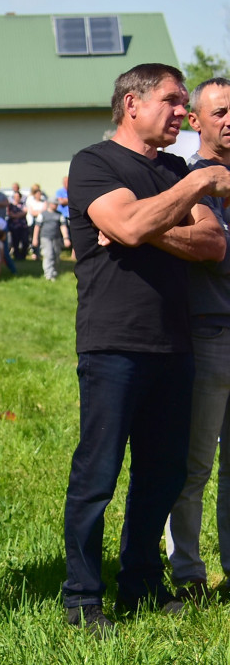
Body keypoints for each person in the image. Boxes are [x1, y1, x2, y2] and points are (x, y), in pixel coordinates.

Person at [63, 63, 230, 636]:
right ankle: (82, 598)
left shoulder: (177, 166)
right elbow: (128, 229)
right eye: (172, 101)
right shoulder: (94, 163)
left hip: (174, 344)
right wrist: (193, 190)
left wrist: (143, 221)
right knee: (98, 477)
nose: (182, 112)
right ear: (131, 104)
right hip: (114, 343)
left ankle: (140, 583)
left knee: (159, 475)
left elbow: (211, 243)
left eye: (185, 103)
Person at [165, 76, 230, 600]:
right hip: (210, 332)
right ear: (196, 121)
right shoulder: (189, 179)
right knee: (196, 464)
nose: (229, 121)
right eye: (220, 112)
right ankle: (186, 571)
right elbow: (213, 248)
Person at [31, 200, 71, 281]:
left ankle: (54, 272)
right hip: (45, 237)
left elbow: (63, 226)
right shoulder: (43, 214)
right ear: (50, 204)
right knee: (48, 255)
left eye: (57, 204)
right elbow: (37, 227)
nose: (56, 205)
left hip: (56, 238)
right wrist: (35, 239)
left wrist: (66, 238)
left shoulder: (59, 214)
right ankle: (48, 275)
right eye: (54, 204)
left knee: (56, 255)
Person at [7, 191, 29, 260]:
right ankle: (16, 256)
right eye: (15, 197)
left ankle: (23, 256)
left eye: (18, 197)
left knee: (25, 241)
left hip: (23, 226)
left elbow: (25, 212)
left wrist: (16, 215)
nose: (17, 198)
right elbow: (10, 214)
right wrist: (19, 214)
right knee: (15, 242)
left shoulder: (23, 205)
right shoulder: (10, 206)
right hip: (14, 227)